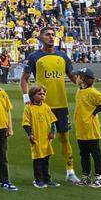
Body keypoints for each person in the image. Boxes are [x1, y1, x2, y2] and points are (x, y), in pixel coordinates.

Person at [21, 27, 77, 185]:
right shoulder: (34, 57)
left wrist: (85, 84)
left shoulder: (63, 56)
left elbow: (73, 78)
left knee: (65, 138)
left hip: (61, 104)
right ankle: (43, 176)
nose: (51, 37)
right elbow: (24, 79)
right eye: (48, 35)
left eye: (53, 35)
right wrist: (27, 98)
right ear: (40, 38)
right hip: (42, 106)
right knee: (43, 141)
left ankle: (70, 171)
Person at [73, 70, 101, 188]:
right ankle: (86, 176)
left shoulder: (92, 92)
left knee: (95, 153)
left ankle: (99, 177)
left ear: (83, 78)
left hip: (90, 127)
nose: (75, 78)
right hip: (81, 127)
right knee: (83, 154)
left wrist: (94, 111)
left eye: (77, 76)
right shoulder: (80, 91)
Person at [22, 84, 58, 188]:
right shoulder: (29, 108)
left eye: (44, 94)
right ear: (32, 95)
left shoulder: (46, 107)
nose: (42, 96)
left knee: (46, 159)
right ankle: (39, 179)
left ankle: (47, 179)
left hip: (46, 138)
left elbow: (52, 121)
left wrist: (52, 132)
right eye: (39, 94)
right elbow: (26, 123)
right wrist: (30, 134)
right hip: (37, 138)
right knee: (38, 159)